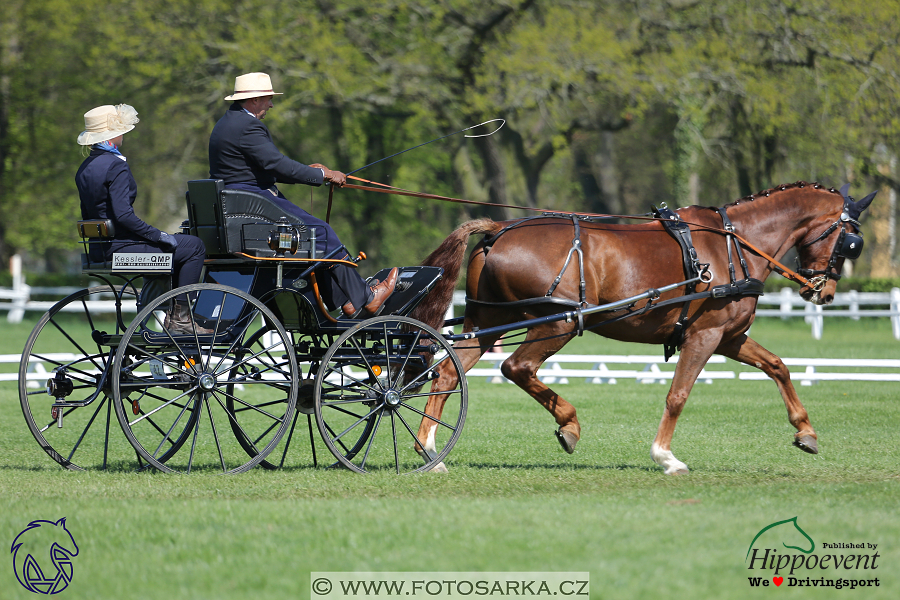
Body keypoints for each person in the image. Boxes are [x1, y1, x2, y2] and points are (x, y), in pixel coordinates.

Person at [208, 72, 397, 317]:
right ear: (254, 100)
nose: (271, 105)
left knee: (316, 236)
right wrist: (323, 176)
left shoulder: (227, 123)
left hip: (240, 207)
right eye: (267, 99)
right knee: (320, 233)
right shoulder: (248, 127)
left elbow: (267, 168)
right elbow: (277, 164)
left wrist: (311, 172)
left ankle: (348, 300)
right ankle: (366, 297)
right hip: (250, 207)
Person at [75, 104, 211, 334]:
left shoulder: (85, 167)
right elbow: (123, 215)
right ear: (113, 135)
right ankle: (181, 319)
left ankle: (163, 305)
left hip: (99, 249)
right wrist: (158, 234)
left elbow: (90, 214)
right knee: (194, 246)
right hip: (121, 248)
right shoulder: (115, 165)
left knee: (177, 245)